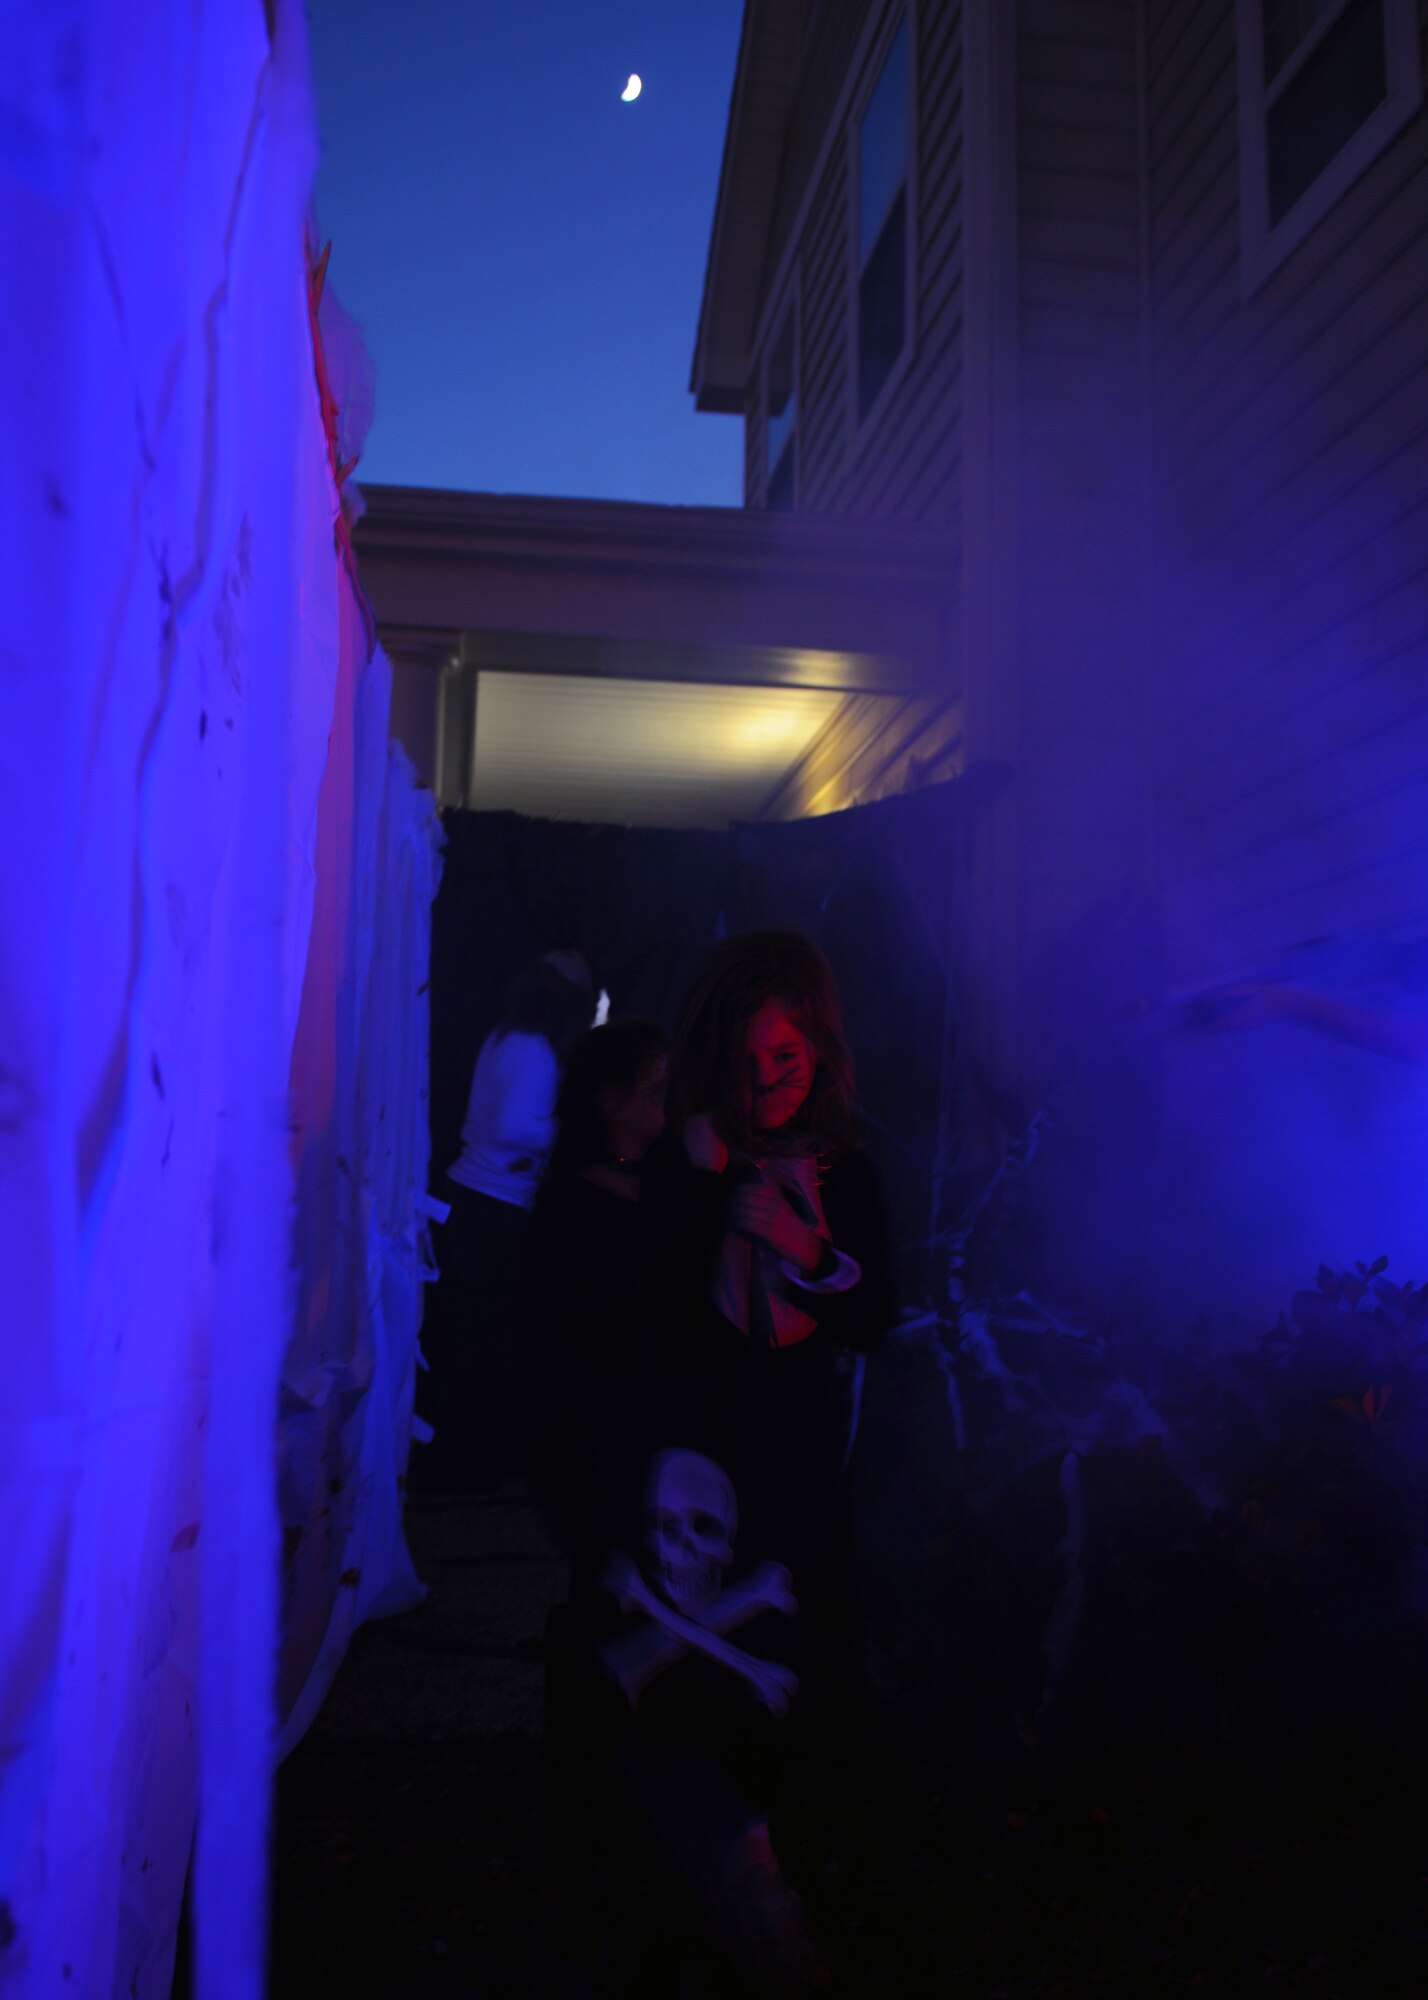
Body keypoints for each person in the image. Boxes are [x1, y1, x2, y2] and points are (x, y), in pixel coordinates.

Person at [639, 929, 896, 1682]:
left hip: (806, 1442)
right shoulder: (683, 1160)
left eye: (786, 1059)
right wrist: (695, 1183)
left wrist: (805, 1248)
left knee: (808, 1618)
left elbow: (875, 1314)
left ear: (818, 1049)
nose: (768, 1083)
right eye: (746, 1066)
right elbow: (656, 1303)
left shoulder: (846, 1175)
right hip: (700, 1434)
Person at [414, 949, 595, 1492]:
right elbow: (515, 1124)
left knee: (468, 1329)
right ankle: (463, 1461)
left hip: (470, 1196)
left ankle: (450, 1454)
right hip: (496, 1207)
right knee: (486, 1333)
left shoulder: (503, 1038)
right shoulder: (536, 1050)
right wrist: (567, 1134)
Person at [527, 1017, 670, 1566]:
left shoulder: (666, 1180)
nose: (677, 1095)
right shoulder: (572, 1205)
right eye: (659, 1086)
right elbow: (570, 1321)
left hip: (649, 1413)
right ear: (613, 1103)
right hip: (595, 1422)